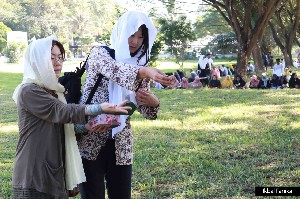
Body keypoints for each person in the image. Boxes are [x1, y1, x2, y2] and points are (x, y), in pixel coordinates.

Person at [11, 35, 132, 199]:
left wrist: (86, 127)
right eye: (51, 57)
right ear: (37, 60)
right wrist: (99, 108)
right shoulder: (29, 91)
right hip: (34, 175)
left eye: (60, 57)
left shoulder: (55, 92)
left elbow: (61, 126)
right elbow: (62, 111)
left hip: (54, 174)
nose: (57, 62)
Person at [76, 11, 177, 199]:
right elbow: (117, 71)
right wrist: (146, 72)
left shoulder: (140, 65)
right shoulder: (100, 53)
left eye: (140, 37)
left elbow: (146, 110)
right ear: (121, 32)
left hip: (121, 143)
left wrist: (154, 102)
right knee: (92, 195)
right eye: (131, 35)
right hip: (90, 136)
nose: (135, 41)